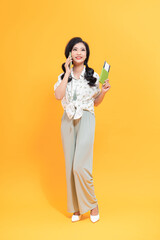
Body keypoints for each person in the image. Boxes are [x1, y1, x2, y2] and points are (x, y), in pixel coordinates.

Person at [54, 37, 111, 223]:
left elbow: (96, 102)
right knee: (70, 166)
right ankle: (76, 209)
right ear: (69, 53)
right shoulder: (63, 77)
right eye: (75, 49)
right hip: (67, 120)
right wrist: (67, 72)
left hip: (86, 117)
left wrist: (102, 92)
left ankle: (93, 204)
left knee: (80, 166)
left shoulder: (93, 76)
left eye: (83, 50)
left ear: (86, 55)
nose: (79, 53)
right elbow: (58, 95)